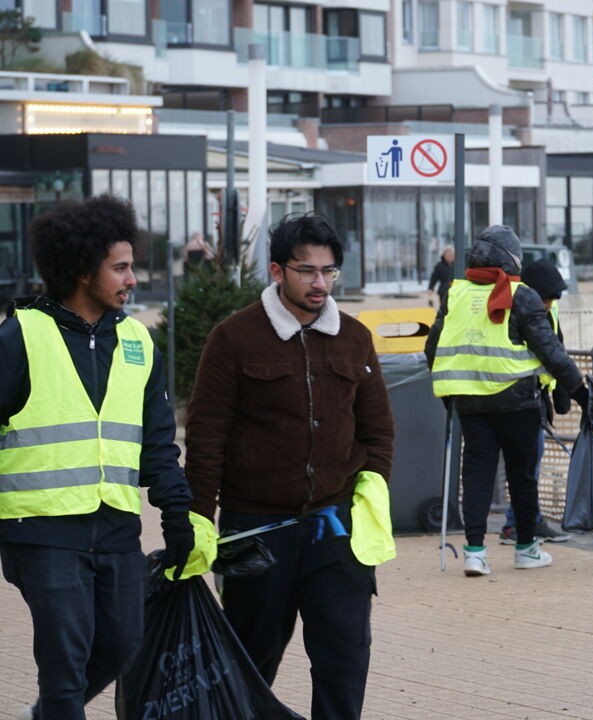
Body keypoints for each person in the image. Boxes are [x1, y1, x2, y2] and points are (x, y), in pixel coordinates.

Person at [0, 195, 195, 720]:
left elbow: (159, 442)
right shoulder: (22, 335)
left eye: (131, 265)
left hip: (117, 528)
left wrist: (175, 512)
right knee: (65, 662)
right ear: (82, 271)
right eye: (120, 267)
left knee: (124, 643)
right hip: (42, 532)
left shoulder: (139, 343)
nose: (132, 279)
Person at [185, 212, 394, 720]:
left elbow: (379, 430)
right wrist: (195, 519)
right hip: (255, 532)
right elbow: (206, 437)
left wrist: (366, 497)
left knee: (345, 663)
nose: (320, 283)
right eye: (307, 271)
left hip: (334, 530)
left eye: (329, 271)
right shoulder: (233, 338)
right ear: (277, 272)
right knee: (249, 669)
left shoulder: (355, 337)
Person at [425, 226, 587, 577]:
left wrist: (450, 392)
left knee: (477, 475)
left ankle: (474, 553)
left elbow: (432, 348)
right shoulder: (521, 294)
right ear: (512, 259)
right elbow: (552, 352)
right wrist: (580, 392)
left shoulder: (456, 294)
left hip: (471, 404)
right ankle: (527, 549)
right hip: (518, 403)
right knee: (523, 477)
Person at [500, 258, 572, 545]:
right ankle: (516, 523)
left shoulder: (549, 310)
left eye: (552, 300)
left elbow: (557, 350)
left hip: (538, 397)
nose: (548, 305)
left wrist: (561, 394)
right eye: (545, 299)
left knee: (531, 463)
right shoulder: (521, 309)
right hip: (520, 397)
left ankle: (524, 520)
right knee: (526, 465)